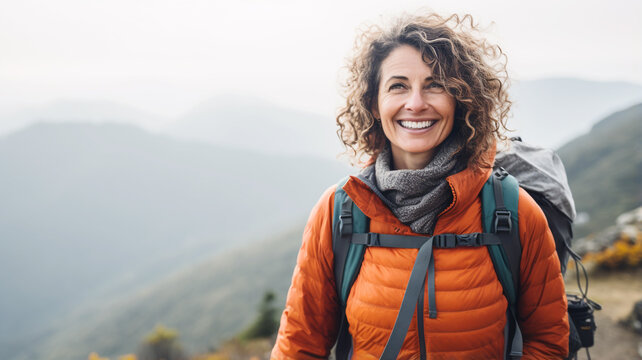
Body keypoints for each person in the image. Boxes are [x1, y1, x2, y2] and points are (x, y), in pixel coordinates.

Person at [271, 12, 569, 360]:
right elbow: (298, 347)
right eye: (398, 86)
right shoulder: (340, 212)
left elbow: (548, 344)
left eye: (435, 84)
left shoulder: (512, 210)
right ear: (374, 103)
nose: (415, 103)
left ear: (462, 100)